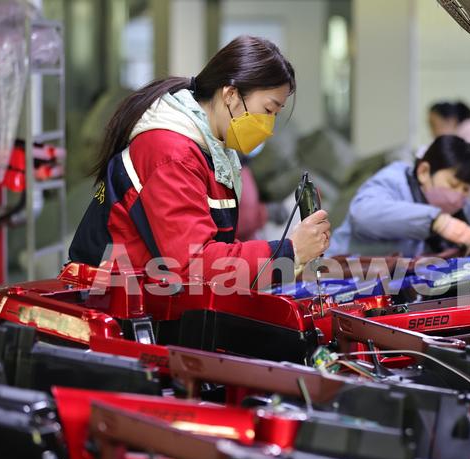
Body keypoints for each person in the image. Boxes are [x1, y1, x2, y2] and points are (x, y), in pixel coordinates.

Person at [69, 36, 330, 285]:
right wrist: (289, 251)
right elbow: (193, 264)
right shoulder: (170, 152)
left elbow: (216, 250)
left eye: (274, 115)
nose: (268, 126)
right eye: (268, 110)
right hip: (111, 298)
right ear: (230, 95)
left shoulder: (216, 153)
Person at [328, 135, 470, 257]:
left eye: (465, 189)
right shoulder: (393, 181)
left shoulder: (457, 207)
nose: (458, 195)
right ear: (424, 172)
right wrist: (435, 221)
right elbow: (363, 214)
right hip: (341, 280)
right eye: (453, 185)